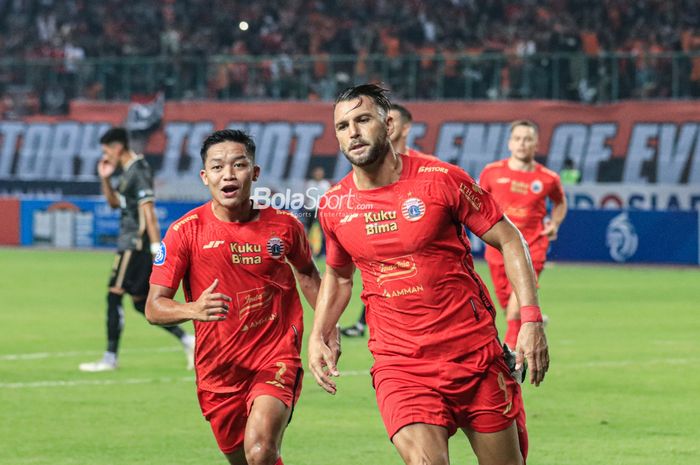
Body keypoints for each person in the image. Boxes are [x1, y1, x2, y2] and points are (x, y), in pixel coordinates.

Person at [308, 84, 549, 465]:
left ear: (388, 125)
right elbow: (338, 277)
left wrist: (532, 321)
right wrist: (319, 333)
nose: (352, 132)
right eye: (342, 126)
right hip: (401, 365)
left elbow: (509, 238)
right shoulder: (335, 205)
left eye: (362, 120)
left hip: (474, 355)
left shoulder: (441, 179)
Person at [145, 129, 328, 465]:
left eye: (238, 165)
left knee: (259, 450)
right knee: (245, 459)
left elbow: (307, 273)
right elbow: (154, 307)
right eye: (217, 167)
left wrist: (325, 329)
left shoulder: (285, 226)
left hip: (275, 356)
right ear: (205, 177)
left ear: (254, 172)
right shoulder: (185, 231)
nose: (227, 174)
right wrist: (193, 309)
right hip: (218, 371)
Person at [79, 127, 194, 372]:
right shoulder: (127, 173)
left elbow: (149, 213)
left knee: (114, 295)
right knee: (141, 303)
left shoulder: (139, 171)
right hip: (132, 243)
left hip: (134, 244)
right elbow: (114, 203)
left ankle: (110, 358)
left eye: (106, 151)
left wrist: (156, 249)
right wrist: (105, 178)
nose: (105, 156)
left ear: (117, 147)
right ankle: (188, 340)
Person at [339, 102, 430, 338]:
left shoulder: (428, 169)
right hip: (381, 234)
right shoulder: (364, 170)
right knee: (377, 277)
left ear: (404, 127)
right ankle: (366, 324)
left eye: (393, 120)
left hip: (419, 256)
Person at [479, 120, 567, 350]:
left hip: (532, 245)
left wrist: (555, 223)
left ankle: (509, 355)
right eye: (517, 138)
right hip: (498, 247)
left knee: (519, 300)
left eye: (527, 139)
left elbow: (560, 203)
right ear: (509, 143)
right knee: (508, 305)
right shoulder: (491, 172)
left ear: (536, 144)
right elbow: (477, 202)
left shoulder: (548, 178)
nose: (522, 143)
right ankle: (532, 323)